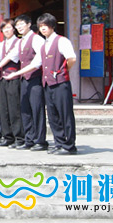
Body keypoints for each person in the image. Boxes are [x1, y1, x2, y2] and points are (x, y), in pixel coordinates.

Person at [3, 15, 47, 151]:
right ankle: (29, 139)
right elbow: (11, 56)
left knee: (37, 110)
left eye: (22, 24)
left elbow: (38, 61)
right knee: (25, 110)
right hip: (25, 80)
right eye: (17, 25)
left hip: (35, 79)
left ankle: (40, 141)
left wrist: (17, 73)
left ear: (28, 24)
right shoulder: (21, 41)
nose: (19, 27)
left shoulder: (37, 39)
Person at [37, 13, 77, 155]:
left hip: (60, 83)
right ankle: (59, 142)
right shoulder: (44, 44)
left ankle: (69, 145)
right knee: (53, 115)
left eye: (45, 26)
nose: (43, 29)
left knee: (65, 114)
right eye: (41, 26)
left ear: (52, 26)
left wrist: (63, 71)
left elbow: (71, 58)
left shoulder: (62, 41)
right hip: (48, 83)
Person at [0, 19, 23, 147]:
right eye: (4, 29)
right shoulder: (3, 44)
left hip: (14, 78)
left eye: (8, 28)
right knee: (4, 108)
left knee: (14, 109)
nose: (6, 31)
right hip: (3, 78)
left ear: (14, 29)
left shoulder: (18, 42)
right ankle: (7, 136)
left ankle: (19, 137)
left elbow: (10, 57)